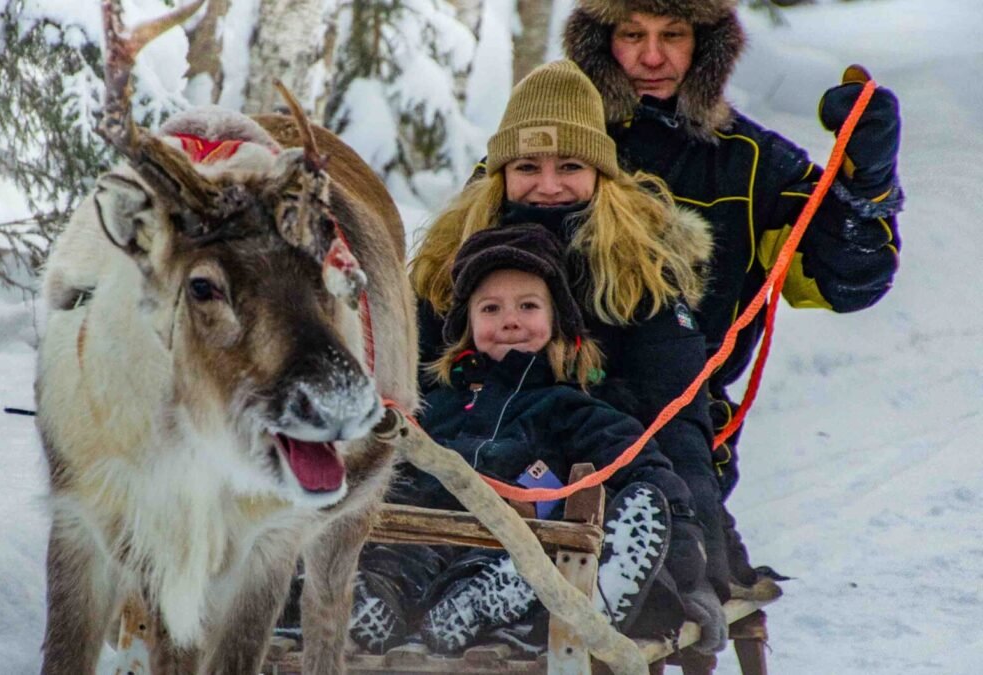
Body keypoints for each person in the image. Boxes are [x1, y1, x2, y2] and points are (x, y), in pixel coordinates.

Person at [562, 0, 904, 585]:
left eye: (673, 34)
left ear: (706, 45)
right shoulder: (547, 149)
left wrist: (867, 182)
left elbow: (843, 283)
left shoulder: (752, 163)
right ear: (600, 42)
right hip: (537, 409)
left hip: (682, 431)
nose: (651, 56)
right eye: (631, 34)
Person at [404, 59, 730, 652]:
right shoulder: (446, 264)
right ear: (500, 173)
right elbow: (406, 398)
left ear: (600, 173)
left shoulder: (641, 273)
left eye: (570, 167)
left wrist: (697, 562)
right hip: (461, 491)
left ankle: (598, 588)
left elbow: (676, 426)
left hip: (589, 488)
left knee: (611, 518)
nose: (548, 185)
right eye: (527, 166)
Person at [364, 223, 717, 656]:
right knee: (392, 562)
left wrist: (682, 541)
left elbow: (640, 463)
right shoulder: (429, 409)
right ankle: (369, 602)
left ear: (557, 322)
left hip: (515, 545)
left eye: (528, 306)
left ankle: (496, 602)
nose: (509, 320)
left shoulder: (569, 407)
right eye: (490, 309)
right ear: (467, 326)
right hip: (420, 537)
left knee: (515, 564)